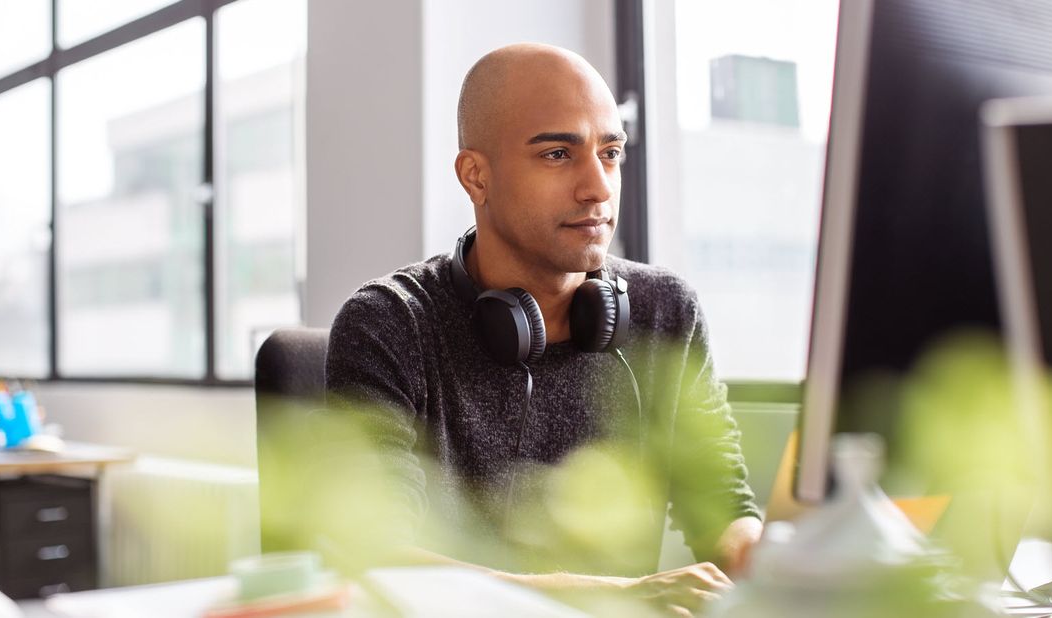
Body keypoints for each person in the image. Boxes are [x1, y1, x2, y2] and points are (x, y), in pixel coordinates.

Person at [325, 42, 762, 616]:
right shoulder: (389, 323)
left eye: (610, 153)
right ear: (476, 176)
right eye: (558, 154)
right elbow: (375, 559)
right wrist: (615, 598)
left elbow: (722, 503)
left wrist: (781, 564)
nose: (598, 188)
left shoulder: (663, 311)